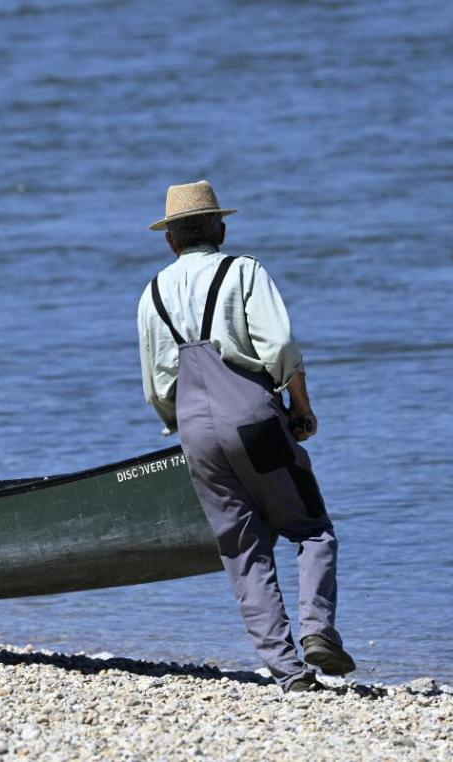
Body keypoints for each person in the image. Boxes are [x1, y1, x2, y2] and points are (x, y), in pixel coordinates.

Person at [136, 180, 356, 693]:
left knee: (242, 549)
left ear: (170, 240)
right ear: (221, 229)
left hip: (194, 429)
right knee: (311, 529)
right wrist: (301, 407)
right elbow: (278, 346)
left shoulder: (152, 294)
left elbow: (155, 385)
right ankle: (317, 630)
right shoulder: (243, 271)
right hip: (254, 419)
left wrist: (184, 421)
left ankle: (289, 672)